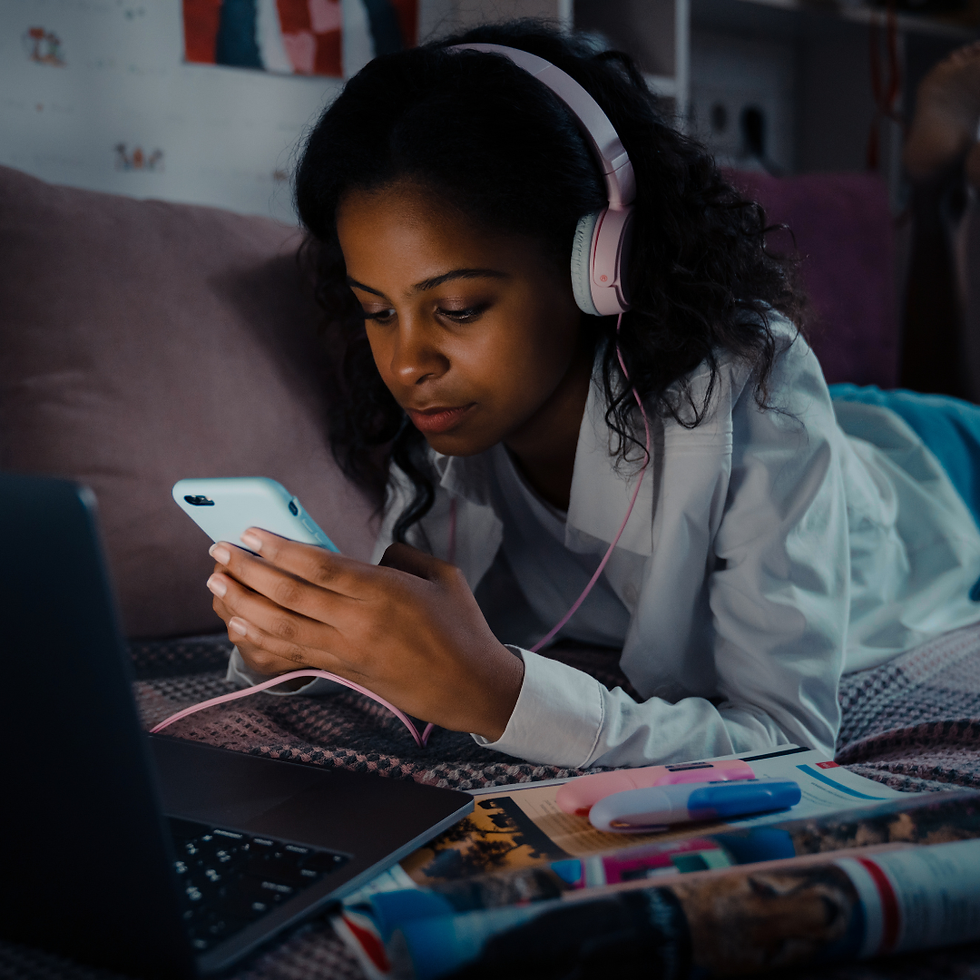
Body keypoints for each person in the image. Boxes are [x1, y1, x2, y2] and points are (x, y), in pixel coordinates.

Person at [204, 22, 980, 769]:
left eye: (459, 309)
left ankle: (936, 187)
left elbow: (791, 740)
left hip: (935, 475)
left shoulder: (754, 387)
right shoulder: (449, 413)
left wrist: (499, 694)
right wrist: (290, 643)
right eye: (378, 311)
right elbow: (410, 637)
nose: (406, 364)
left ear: (600, 269)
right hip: (842, 427)